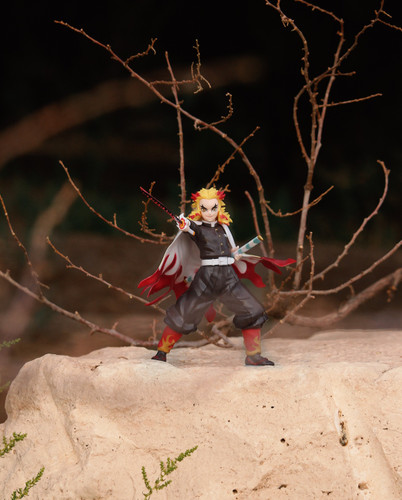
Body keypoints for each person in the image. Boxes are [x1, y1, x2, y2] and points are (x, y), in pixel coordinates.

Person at [138, 187, 295, 366]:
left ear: (219, 207)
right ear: (199, 209)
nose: (209, 212)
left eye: (213, 208)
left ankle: (253, 356)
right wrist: (184, 224)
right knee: (186, 311)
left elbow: (231, 249)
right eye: (204, 209)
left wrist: (235, 254)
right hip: (207, 277)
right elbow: (189, 227)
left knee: (252, 309)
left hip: (228, 276)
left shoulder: (224, 228)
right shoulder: (198, 228)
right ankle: (162, 352)